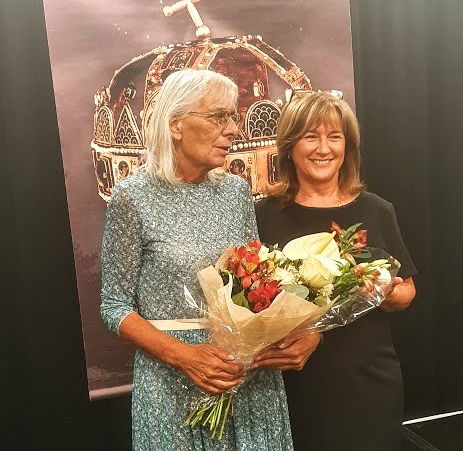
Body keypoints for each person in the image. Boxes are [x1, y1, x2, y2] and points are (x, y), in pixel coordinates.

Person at [100, 69, 294, 451]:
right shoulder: (131, 197)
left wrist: (287, 334)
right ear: (176, 124)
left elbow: (255, 281)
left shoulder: (237, 192)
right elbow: (114, 307)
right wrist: (185, 357)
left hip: (246, 379)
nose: (233, 130)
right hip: (173, 383)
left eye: (232, 117)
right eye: (218, 117)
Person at [253, 90, 416, 451]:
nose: (324, 149)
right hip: (291, 386)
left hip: (367, 384)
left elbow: (407, 291)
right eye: (311, 136)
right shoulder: (262, 215)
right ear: (290, 146)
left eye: (335, 137)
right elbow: (250, 299)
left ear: (348, 146)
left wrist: (386, 292)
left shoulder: (376, 210)